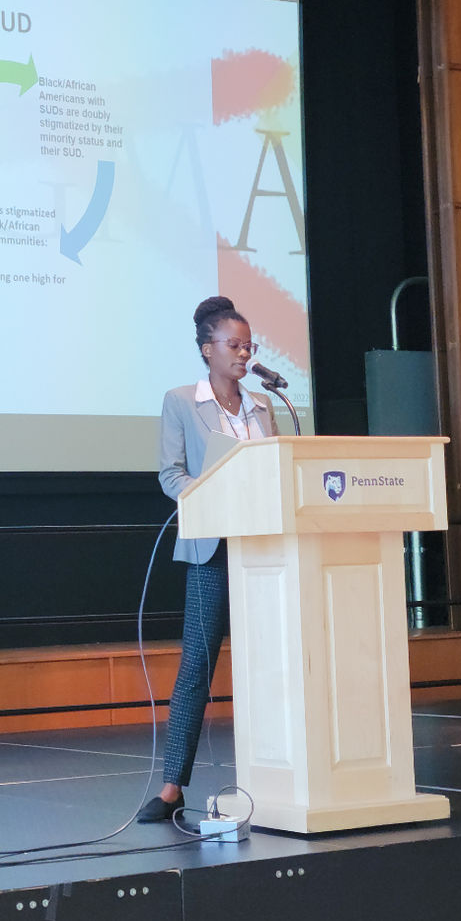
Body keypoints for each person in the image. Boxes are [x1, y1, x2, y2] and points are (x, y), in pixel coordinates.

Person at [137, 295, 279, 822]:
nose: (244, 353)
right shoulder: (181, 401)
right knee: (197, 664)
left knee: (271, 665)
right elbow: (170, 473)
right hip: (211, 549)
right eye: (235, 344)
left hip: (265, 550)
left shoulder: (264, 407)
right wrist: (209, 491)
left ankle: (272, 776)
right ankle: (173, 787)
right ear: (207, 349)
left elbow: (277, 474)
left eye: (249, 345)